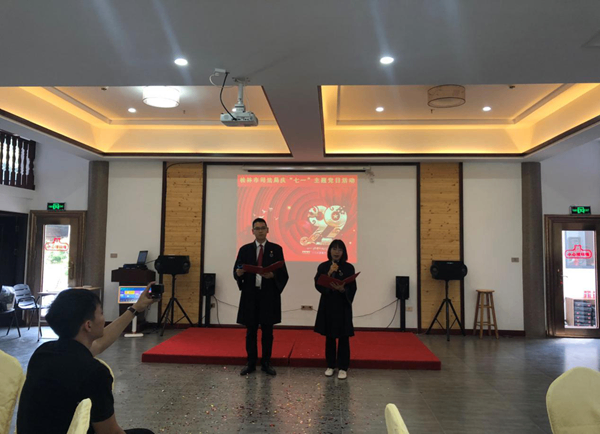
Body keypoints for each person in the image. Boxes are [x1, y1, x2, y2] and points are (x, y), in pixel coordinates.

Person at [17, 284, 157, 434]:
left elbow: (99, 344)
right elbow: (109, 432)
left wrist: (135, 308)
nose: (104, 318)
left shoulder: (43, 353)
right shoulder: (95, 373)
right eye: (101, 313)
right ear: (88, 325)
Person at [234, 218, 289, 376]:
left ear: (267, 230)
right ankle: (251, 363)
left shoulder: (276, 249)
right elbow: (237, 269)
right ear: (252, 231)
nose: (260, 231)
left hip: (268, 296)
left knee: (267, 332)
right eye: (257, 228)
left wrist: (273, 276)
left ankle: (266, 363)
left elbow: (283, 274)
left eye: (263, 228)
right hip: (250, 295)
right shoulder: (245, 250)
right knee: (251, 331)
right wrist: (238, 273)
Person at [314, 240, 357, 380]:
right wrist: (329, 273)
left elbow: (353, 287)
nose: (336, 252)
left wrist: (343, 289)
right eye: (334, 249)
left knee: (344, 337)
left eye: (339, 249)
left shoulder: (349, 268)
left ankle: (343, 367)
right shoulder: (323, 266)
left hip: (343, 305)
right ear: (329, 251)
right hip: (328, 304)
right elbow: (318, 283)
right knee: (330, 336)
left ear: (343, 252)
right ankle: (330, 365)